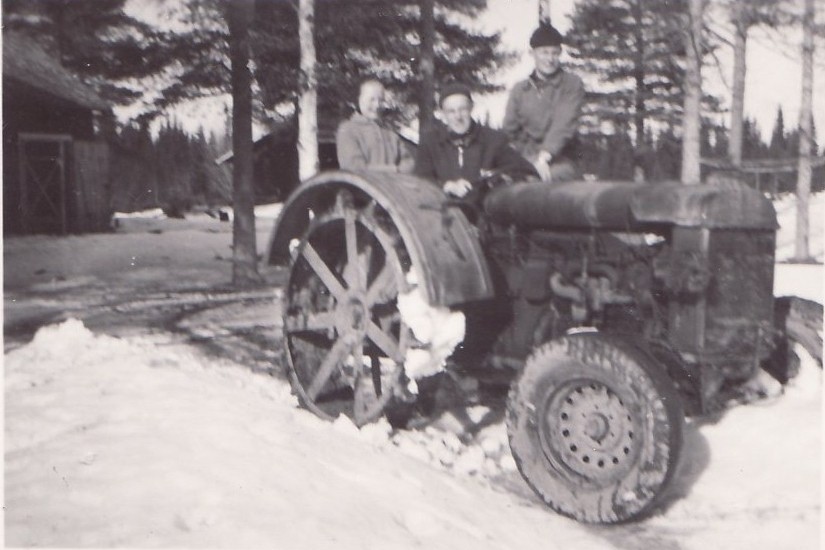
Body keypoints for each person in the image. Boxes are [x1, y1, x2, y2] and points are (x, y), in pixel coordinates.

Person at [415, 81, 537, 200]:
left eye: (462, 109)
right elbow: (420, 181)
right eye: (451, 111)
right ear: (442, 114)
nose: (458, 117)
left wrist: (494, 179)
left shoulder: (493, 139)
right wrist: (446, 186)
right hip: (444, 211)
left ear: (471, 108)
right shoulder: (430, 142)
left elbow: (525, 170)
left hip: (483, 213)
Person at [503, 24, 584, 183]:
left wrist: (543, 159)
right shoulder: (520, 89)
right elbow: (510, 130)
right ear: (532, 53)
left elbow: (563, 126)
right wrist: (527, 158)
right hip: (527, 159)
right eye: (544, 52)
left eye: (554, 52)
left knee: (533, 182)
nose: (550, 59)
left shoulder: (571, 84)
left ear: (560, 53)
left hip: (561, 160)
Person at [336, 79, 414, 173]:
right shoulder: (348, 129)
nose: (377, 105)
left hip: (391, 187)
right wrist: (395, 170)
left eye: (381, 100)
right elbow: (355, 168)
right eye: (372, 99)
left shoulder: (389, 130)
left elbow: (409, 163)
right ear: (359, 100)